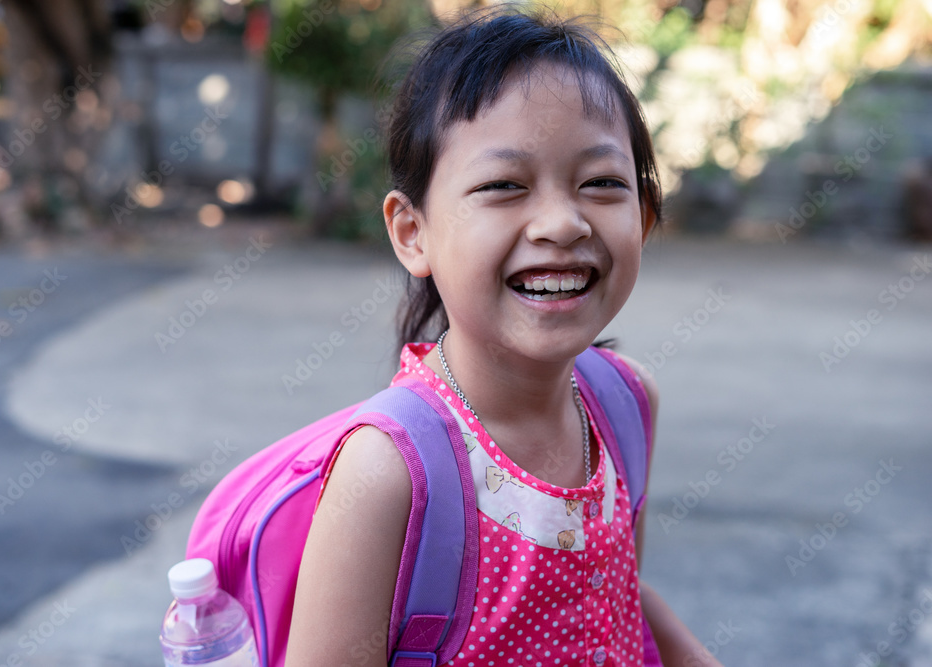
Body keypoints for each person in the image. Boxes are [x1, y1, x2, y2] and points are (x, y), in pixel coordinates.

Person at [286, 6, 724, 667]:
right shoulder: (387, 472)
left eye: (602, 183)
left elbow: (618, 587)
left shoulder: (627, 406)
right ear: (413, 232)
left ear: (645, 211)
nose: (561, 222)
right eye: (504, 185)